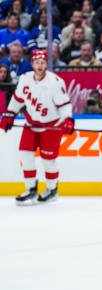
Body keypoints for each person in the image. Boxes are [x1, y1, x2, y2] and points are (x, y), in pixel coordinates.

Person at [0, 49, 74, 205]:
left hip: (51, 126)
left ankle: (52, 190)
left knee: (48, 161)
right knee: (25, 156)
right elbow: (17, 99)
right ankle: (31, 189)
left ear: (46, 64)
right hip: (31, 124)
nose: (40, 65)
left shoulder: (55, 82)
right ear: (32, 63)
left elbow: (65, 105)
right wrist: (9, 114)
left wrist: (67, 120)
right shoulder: (25, 79)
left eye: (42, 62)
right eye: (36, 62)